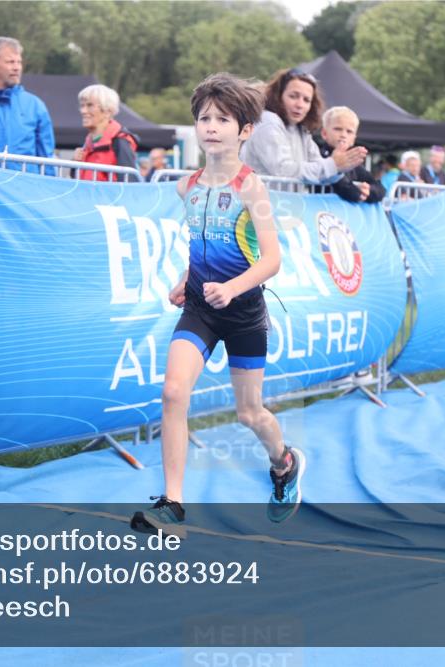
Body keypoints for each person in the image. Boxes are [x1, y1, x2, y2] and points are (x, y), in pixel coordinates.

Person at [130, 73, 302, 537]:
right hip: (201, 309)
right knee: (173, 393)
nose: (211, 126)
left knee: (249, 413)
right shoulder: (186, 186)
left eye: (223, 119)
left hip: (243, 312)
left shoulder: (252, 188)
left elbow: (272, 259)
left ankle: (284, 463)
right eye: (204, 118)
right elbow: (202, 244)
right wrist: (184, 279)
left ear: (245, 130)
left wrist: (233, 288)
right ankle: (172, 505)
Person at [239, 67, 366, 184]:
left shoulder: (301, 130)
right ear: (278, 96)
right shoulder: (268, 121)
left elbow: (319, 170)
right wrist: (333, 165)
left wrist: (341, 171)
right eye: (293, 96)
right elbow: (283, 170)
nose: (300, 105)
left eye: (306, 100)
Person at [0, 37, 56, 175]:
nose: (17, 68)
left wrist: (50, 185)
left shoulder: (35, 105)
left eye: (19, 62)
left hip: (23, 186)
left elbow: (47, 158)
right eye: (10, 62)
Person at [316, 106, 385, 203]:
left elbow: (380, 188)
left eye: (349, 131)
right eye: (337, 129)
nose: (343, 135)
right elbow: (338, 183)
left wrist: (368, 191)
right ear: (324, 133)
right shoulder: (317, 156)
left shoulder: (354, 163)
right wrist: (357, 192)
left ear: (353, 139)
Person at [74, 84, 139, 182]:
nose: (83, 111)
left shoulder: (120, 141)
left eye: (90, 105)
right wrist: (74, 163)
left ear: (108, 111)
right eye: (82, 106)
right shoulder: (88, 142)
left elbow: (129, 182)